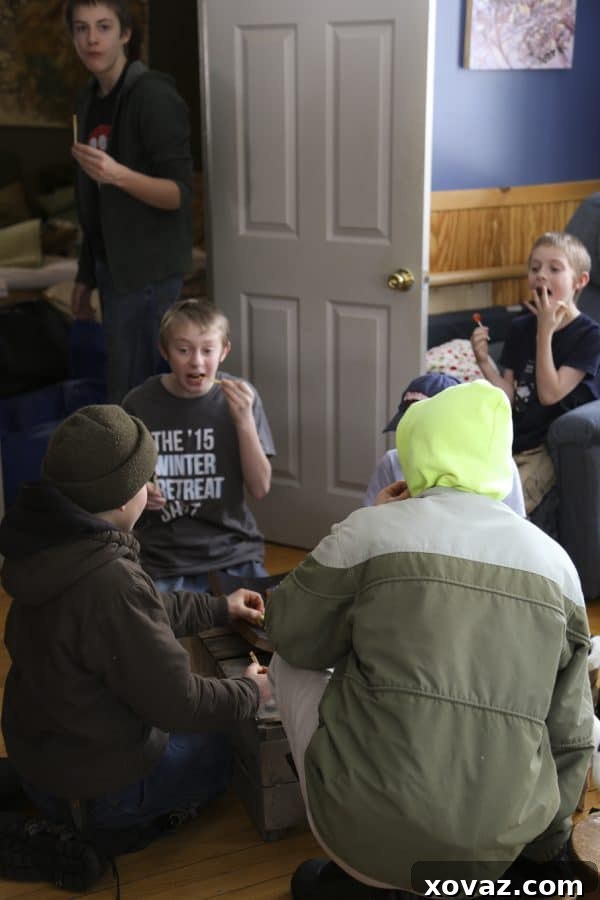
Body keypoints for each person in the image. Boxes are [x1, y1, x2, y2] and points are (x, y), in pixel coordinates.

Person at [265, 380, 594, 899]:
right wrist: (545, 849)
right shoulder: (558, 567)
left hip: (359, 839)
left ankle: (361, 861)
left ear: (414, 451)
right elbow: (572, 733)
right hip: (492, 857)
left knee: (289, 661)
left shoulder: (370, 531)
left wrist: (364, 523)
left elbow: (285, 629)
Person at [0, 406, 271, 864]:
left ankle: (58, 801)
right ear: (126, 498)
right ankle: (111, 831)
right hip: (100, 789)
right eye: (146, 479)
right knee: (225, 749)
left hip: (43, 758)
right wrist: (250, 690)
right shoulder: (112, 582)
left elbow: (138, 613)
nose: (152, 488)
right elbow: (180, 702)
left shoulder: (49, 548)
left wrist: (217, 607)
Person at [66, 0, 194, 403]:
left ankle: (138, 468)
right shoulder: (87, 100)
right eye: (81, 28)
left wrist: (115, 173)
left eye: (103, 27)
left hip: (148, 273)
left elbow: (178, 194)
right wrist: (86, 274)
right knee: (125, 388)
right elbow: (94, 203)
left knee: (135, 396)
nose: (91, 39)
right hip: (111, 270)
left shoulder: (152, 95)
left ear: (125, 34)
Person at [122, 298, 275, 592]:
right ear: (164, 351)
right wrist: (141, 490)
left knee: (264, 629)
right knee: (160, 633)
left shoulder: (243, 398)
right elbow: (123, 488)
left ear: (224, 351)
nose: (196, 361)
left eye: (207, 350)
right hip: (161, 556)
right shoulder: (138, 403)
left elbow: (260, 488)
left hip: (234, 551)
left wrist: (243, 421)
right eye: (183, 350)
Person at [471, 231, 600, 516]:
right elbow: (510, 392)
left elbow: (549, 393)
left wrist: (545, 331)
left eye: (554, 269)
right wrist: (484, 362)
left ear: (580, 281)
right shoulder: (521, 327)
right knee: (468, 495)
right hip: (511, 437)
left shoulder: (590, 336)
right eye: (535, 268)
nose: (541, 275)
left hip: (546, 446)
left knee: (503, 509)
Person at [363, 371, 526, 516]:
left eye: (421, 433)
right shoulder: (392, 462)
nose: (412, 443)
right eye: (407, 432)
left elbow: (516, 519)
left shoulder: (499, 465)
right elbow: (368, 515)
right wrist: (381, 512)